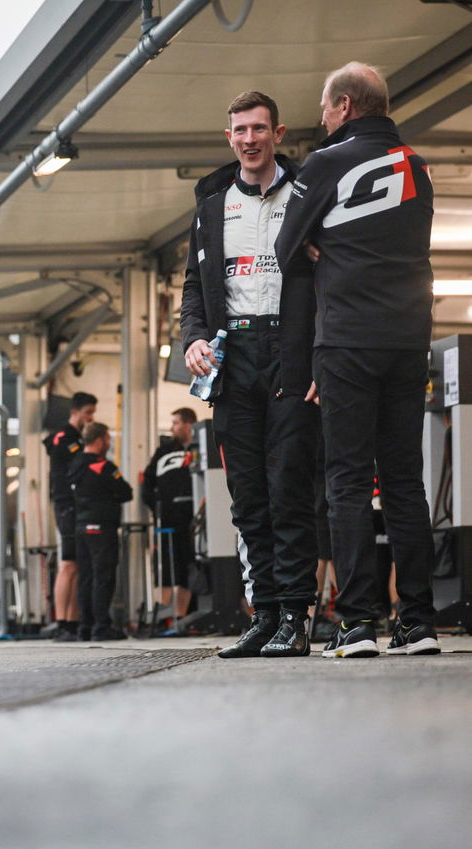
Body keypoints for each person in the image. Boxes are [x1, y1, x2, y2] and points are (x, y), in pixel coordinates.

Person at [275, 62, 440, 657]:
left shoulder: (325, 162)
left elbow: (283, 246)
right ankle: (418, 622)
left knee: (346, 481)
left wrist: (325, 254)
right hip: (408, 340)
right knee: (404, 482)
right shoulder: (418, 167)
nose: (321, 118)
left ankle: (357, 625)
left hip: (347, 340)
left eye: (324, 108)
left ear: (344, 106)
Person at [180, 91, 321, 658]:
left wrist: (320, 354)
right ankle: (263, 614)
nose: (249, 139)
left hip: (290, 349)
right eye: (240, 130)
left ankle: (296, 616)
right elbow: (194, 283)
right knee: (247, 494)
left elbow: (331, 277)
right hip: (231, 355)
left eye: (259, 129)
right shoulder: (212, 204)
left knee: (289, 485)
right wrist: (192, 338)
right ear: (228, 137)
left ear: (278, 133)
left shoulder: (309, 193)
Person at [69, 422, 133, 641]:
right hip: (102, 527)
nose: (108, 443)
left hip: (80, 527)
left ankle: (84, 627)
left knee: (85, 577)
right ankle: (101, 627)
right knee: (103, 577)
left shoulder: (74, 464)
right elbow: (126, 492)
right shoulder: (103, 466)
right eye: (107, 438)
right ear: (99, 440)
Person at [42, 391, 97, 642]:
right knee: (67, 564)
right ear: (74, 411)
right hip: (66, 505)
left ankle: (72, 623)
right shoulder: (63, 437)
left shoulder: (78, 437)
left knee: (76, 565)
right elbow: (53, 447)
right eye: (87, 412)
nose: (90, 417)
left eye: (92, 413)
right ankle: (62, 621)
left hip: (78, 505)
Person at [141, 407, 198, 623]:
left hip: (195, 520)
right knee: (165, 567)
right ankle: (163, 616)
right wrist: (156, 509)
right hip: (167, 519)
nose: (172, 428)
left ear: (187, 424)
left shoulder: (201, 446)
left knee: (189, 566)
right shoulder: (163, 450)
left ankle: (182, 616)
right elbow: (147, 482)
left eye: (175, 423)